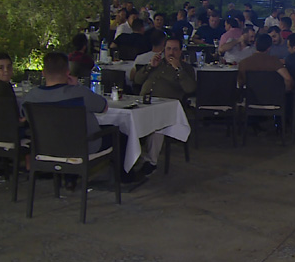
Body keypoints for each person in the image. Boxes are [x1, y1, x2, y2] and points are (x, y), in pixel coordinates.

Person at [22, 52, 127, 189]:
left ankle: (70, 177)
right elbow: (103, 107)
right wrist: (77, 86)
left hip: (46, 147)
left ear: (43, 73)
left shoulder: (31, 97)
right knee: (120, 135)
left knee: (65, 134)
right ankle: (125, 178)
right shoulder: (79, 93)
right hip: (83, 147)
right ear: (67, 72)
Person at [134, 38, 196, 176]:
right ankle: (128, 159)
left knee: (158, 124)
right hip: (144, 103)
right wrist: (150, 66)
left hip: (165, 107)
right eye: (168, 49)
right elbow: (137, 80)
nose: (171, 52)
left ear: (180, 51)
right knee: (125, 121)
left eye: (175, 49)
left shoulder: (186, 68)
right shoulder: (157, 63)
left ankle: (151, 162)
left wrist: (178, 69)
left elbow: (190, 88)